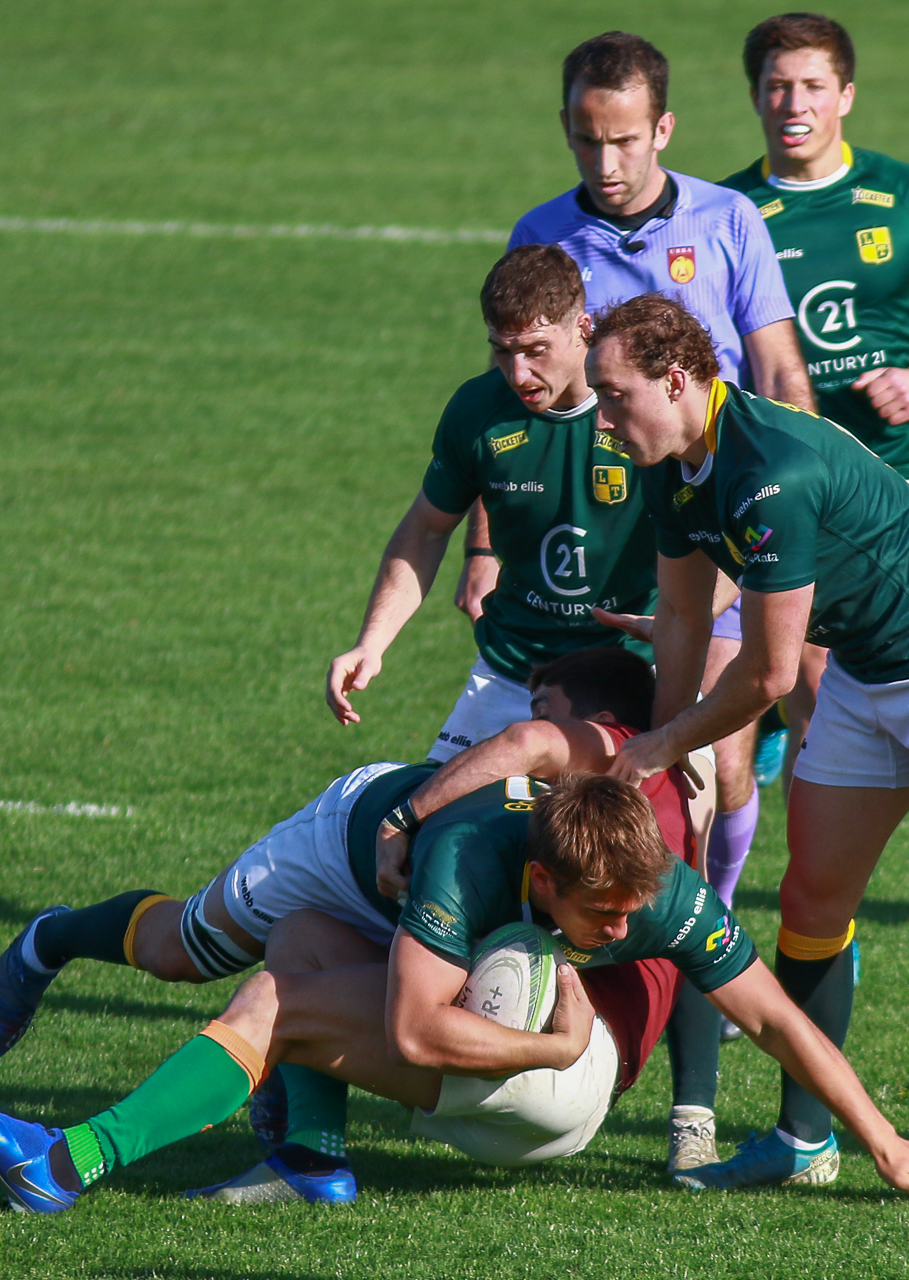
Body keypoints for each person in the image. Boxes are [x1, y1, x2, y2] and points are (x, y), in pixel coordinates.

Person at [584, 293, 909, 1215]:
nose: (604, 419)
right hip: (870, 670)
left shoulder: (767, 471)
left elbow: (770, 673)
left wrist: (661, 744)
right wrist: (658, 767)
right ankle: (802, 1138)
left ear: (675, 380)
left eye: (615, 395)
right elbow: (678, 615)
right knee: (812, 901)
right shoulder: (674, 464)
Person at [0, 773, 909, 1215]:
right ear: (540, 878)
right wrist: (540, 1040)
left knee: (275, 999)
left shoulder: (648, 887)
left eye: (633, 914)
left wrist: (883, 1139)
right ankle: (312, 1167)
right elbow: (413, 1024)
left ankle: (63, 1163)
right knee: (303, 934)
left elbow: (772, 1014)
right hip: (527, 1055)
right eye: (601, 919)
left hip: (557, 1096)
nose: (624, 934)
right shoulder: (466, 856)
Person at [0, 649, 701, 1201]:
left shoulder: (599, 829)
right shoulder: (592, 819)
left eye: (545, 704)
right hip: (341, 848)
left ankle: (63, 1166)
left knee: (280, 995)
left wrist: (411, 818)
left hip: (432, 892)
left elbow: (523, 746)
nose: (532, 719)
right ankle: (52, 939)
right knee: (187, 948)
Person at [323, 243, 729, 1170]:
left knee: (673, 876)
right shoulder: (481, 411)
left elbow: (725, 560)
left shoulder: (646, 411)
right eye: (503, 350)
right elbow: (425, 528)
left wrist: (681, 708)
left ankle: (691, 1116)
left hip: (626, 682)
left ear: (584, 327)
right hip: (511, 676)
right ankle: (398, 1082)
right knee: (425, 860)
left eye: (538, 348)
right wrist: (374, 639)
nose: (520, 372)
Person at [498, 29, 815, 883]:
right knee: (589, 752)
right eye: (586, 138)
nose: (605, 161)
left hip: (718, 522)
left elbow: (780, 367)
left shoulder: (727, 219)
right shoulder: (543, 235)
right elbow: (517, 394)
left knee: (719, 760)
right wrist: (488, 544)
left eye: (625, 140)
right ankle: (592, 937)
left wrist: (800, 489)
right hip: (599, 539)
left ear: (663, 129)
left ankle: (706, 944)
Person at [719, 12, 909, 786]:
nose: (794, 104)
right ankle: (819, 853)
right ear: (754, 96)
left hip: (891, 475)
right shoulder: (725, 213)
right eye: (777, 87)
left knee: (903, 664)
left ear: (845, 94)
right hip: (778, 480)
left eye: (813, 86)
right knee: (813, 675)